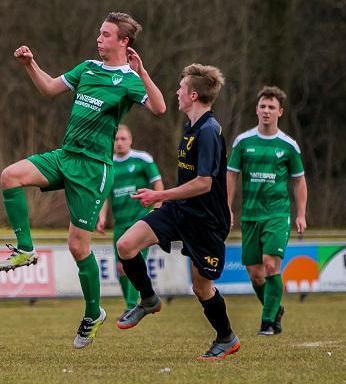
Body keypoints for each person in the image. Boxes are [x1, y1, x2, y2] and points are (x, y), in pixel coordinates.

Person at [0, 12, 166, 349]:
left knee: (77, 247)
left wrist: (142, 71)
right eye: (99, 33)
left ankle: (92, 314)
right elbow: (47, 89)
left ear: (123, 42)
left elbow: (160, 109)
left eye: (105, 35)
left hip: (93, 168)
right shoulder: (87, 68)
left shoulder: (130, 81)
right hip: (66, 155)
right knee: (10, 176)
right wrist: (30, 64)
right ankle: (25, 248)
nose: (99, 39)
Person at [115, 64, 240, 361]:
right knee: (125, 245)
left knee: (202, 287)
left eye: (181, 88)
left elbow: (204, 183)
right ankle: (148, 299)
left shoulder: (209, 131)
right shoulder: (191, 127)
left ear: (193, 95)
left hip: (206, 222)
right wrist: (142, 72)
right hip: (179, 211)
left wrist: (160, 194)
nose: (177, 92)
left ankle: (226, 338)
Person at [227, 86, 307, 336]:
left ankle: (267, 322)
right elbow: (231, 176)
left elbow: (299, 181)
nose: (266, 111)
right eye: (263, 106)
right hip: (250, 215)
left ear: (280, 112)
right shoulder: (243, 142)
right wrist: (226, 208)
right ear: (257, 109)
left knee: (270, 265)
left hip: (276, 214)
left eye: (272, 107)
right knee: (255, 273)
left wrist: (301, 214)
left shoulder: (288, 145)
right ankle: (275, 309)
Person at [96, 125, 163, 312]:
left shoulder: (142, 159)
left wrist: (158, 209)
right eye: (116, 139)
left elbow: (157, 183)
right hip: (120, 223)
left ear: (130, 140)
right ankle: (134, 304)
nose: (119, 142)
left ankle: (132, 307)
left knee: (134, 263)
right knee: (120, 267)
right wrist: (102, 218)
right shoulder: (108, 165)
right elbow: (105, 196)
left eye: (123, 139)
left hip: (141, 221)